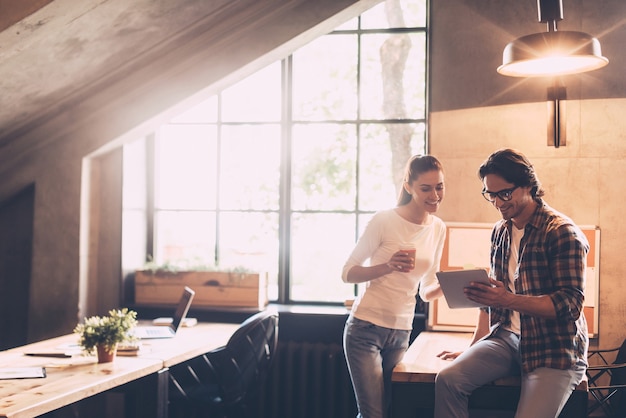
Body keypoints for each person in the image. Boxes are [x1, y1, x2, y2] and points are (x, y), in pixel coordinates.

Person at [434, 148, 588, 418]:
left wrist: (508, 300)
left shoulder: (562, 233)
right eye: (490, 194)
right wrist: (474, 347)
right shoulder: (501, 231)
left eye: (505, 193)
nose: (497, 202)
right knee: (448, 379)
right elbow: (491, 299)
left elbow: (570, 305)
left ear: (529, 185)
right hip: (507, 339)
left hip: (554, 349)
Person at [342, 154, 447, 418]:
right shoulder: (384, 220)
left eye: (439, 186)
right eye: (426, 188)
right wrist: (387, 266)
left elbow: (426, 288)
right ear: (409, 186)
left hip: (401, 330)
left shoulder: (438, 228)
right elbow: (348, 273)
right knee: (373, 413)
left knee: (390, 411)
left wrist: (453, 286)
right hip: (365, 328)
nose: (434, 194)